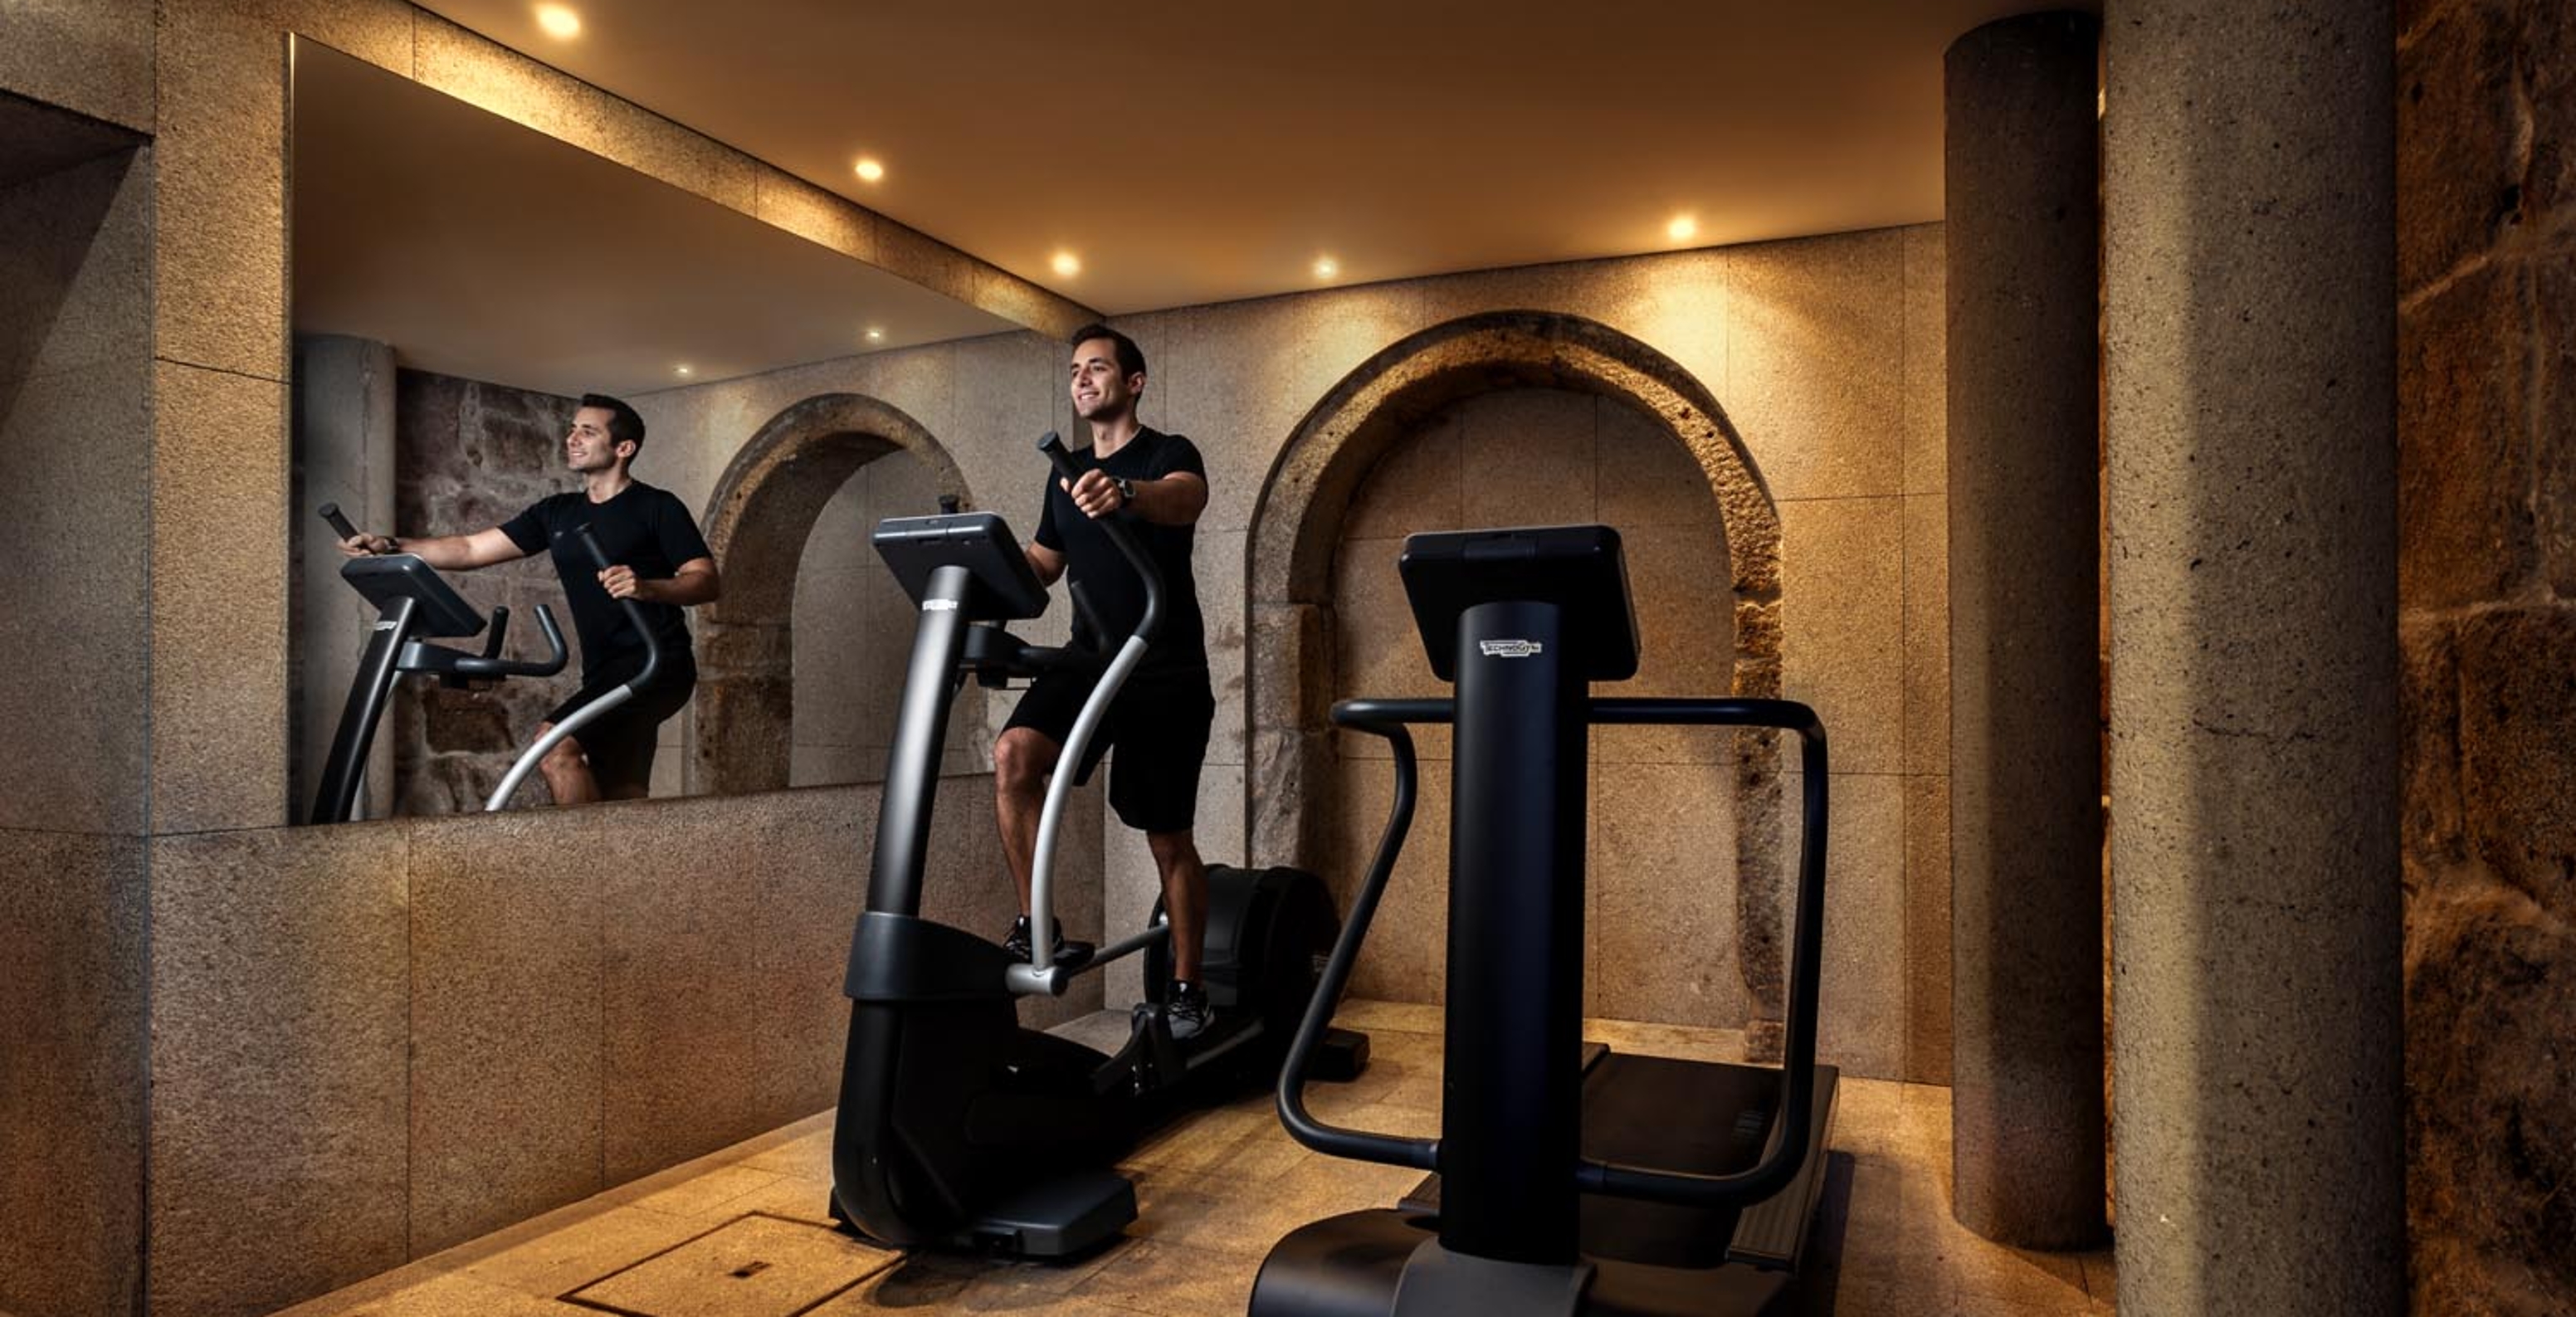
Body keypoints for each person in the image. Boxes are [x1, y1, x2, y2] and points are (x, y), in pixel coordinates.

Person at [997, 324, 1218, 1039]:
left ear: (1133, 382)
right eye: (1074, 371)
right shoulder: (1062, 477)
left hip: (1162, 665)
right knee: (1014, 757)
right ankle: (1039, 925)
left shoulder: (1165, 454)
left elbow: (1185, 498)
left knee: (1167, 838)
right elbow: (1042, 562)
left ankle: (1188, 986)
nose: (1082, 379)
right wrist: (975, 568)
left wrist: (1125, 490)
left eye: (1097, 368)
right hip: (1091, 658)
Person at [338, 393, 720, 804]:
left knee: (554, 747)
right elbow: (469, 549)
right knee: (622, 795)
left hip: (656, 662)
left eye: (588, 432)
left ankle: (581, 867)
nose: (572, 438)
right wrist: (390, 545)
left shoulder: (656, 507)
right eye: (572, 429)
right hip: (603, 670)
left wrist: (648, 586)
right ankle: (624, 865)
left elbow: (706, 581)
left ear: (624, 448)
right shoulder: (557, 512)